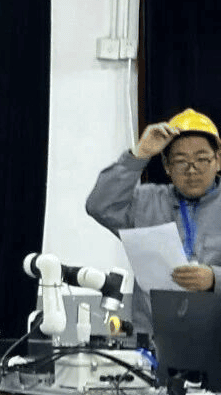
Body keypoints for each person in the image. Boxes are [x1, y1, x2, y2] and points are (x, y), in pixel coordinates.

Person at [86, 107, 221, 336]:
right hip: (153, 339)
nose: (192, 169)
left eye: (202, 159)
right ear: (167, 166)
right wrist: (139, 155)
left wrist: (214, 279)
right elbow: (99, 205)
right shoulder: (146, 201)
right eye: (181, 161)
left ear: (218, 160)